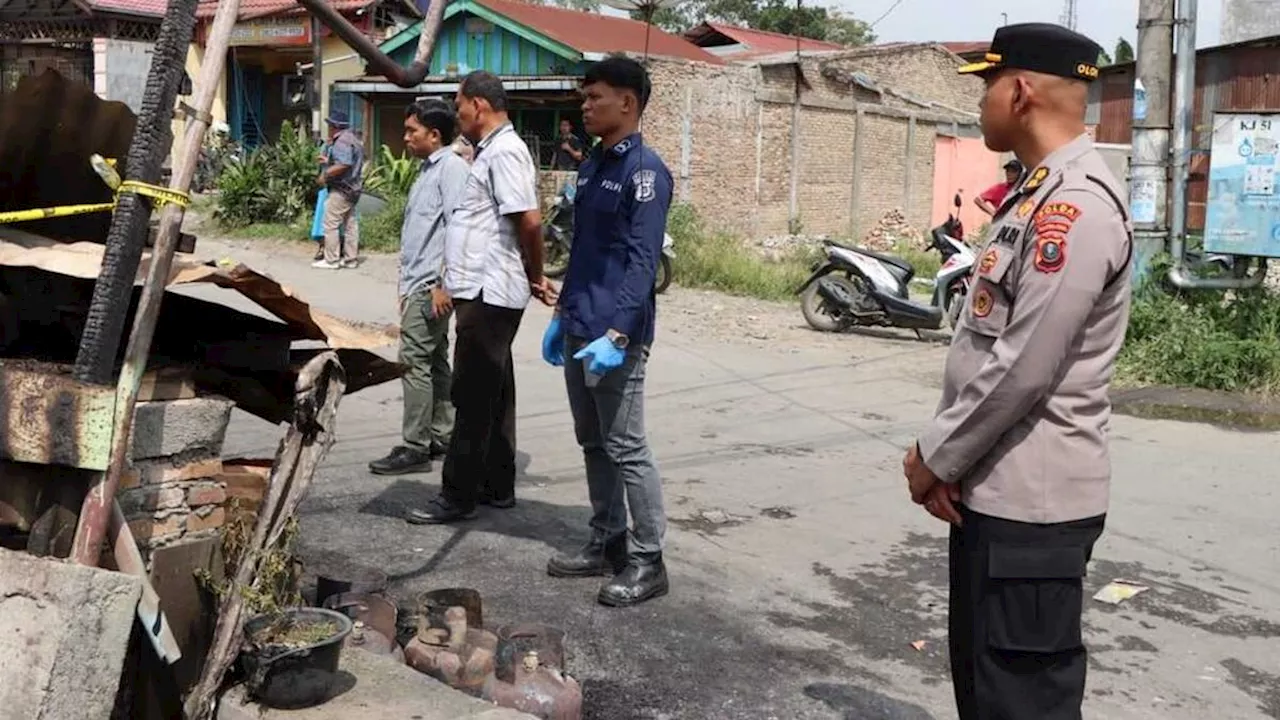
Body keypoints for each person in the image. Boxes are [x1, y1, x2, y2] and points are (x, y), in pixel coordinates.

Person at [902, 24, 1132, 720]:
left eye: (985, 86)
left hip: (1032, 511)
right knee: (988, 691)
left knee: (1023, 702)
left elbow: (1022, 369)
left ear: (1021, 90)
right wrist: (957, 467)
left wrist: (936, 458)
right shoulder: (1033, 195)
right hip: (995, 494)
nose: (980, 103)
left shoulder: (1076, 207)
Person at [541, 56, 673, 608]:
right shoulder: (594, 164)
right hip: (580, 322)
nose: (585, 105)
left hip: (614, 334)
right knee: (593, 440)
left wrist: (619, 335)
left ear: (628, 102)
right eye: (585, 96)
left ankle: (648, 558)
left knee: (626, 446)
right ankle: (607, 538)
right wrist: (560, 313)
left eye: (596, 97)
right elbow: (584, 251)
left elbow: (643, 262)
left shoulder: (644, 171)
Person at [405, 71, 556, 525]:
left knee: (469, 394)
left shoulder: (506, 151)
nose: (457, 113)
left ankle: (458, 496)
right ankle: (496, 485)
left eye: (459, 105)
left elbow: (529, 221)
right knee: (494, 390)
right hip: (484, 288)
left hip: (489, 291)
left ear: (479, 106)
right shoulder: (491, 151)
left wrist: (536, 274)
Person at [369, 100, 471, 476]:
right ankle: (441, 436)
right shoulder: (428, 171)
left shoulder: (451, 170)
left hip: (432, 285)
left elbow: (459, 229)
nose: (406, 137)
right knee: (434, 361)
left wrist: (444, 283)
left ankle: (415, 445)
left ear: (435, 134)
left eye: (413, 131)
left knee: (413, 362)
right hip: (420, 284)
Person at [313, 110, 365, 270]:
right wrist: (329, 160)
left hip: (341, 188)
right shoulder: (353, 139)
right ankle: (351, 259)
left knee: (330, 223)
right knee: (350, 224)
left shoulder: (341, 141)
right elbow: (348, 160)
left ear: (335, 126)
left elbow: (344, 164)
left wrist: (326, 174)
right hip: (354, 188)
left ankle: (332, 259)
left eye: (329, 125)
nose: (328, 127)